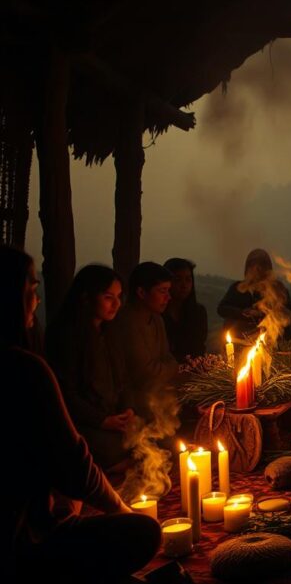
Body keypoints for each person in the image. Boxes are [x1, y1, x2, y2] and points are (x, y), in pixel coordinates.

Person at [2, 246, 160, 583]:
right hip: (27, 539)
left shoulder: (107, 336)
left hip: (93, 439)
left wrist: (125, 412)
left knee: (143, 434)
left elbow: (123, 384)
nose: (37, 300)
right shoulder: (28, 366)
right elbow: (73, 455)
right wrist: (119, 509)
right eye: (31, 289)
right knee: (143, 531)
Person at [46, 265, 136, 470]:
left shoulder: (111, 333)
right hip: (84, 424)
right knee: (114, 448)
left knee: (151, 434)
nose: (116, 304)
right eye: (108, 297)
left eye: (119, 296)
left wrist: (128, 410)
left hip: (115, 419)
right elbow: (66, 394)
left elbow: (124, 380)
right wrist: (103, 421)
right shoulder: (66, 335)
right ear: (86, 298)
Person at [111, 262, 180, 423]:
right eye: (162, 291)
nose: (168, 297)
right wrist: (171, 369)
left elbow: (168, 358)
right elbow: (146, 371)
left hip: (157, 398)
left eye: (168, 291)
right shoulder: (127, 322)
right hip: (133, 405)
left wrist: (169, 367)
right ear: (141, 292)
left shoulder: (157, 319)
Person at [217, 248, 291, 340]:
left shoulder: (276, 288)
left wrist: (263, 313)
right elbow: (222, 308)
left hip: (269, 335)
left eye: (261, 265)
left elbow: (287, 307)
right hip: (241, 334)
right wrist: (243, 313)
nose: (257, 270)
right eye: (253, 265)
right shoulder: (238, 288)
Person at [162, 257, 208, 363]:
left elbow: (199, 347)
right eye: (178, 280)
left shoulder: (198, 312)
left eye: (188, 280)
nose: (184, 285)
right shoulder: (158, 314)